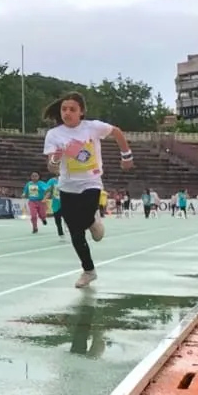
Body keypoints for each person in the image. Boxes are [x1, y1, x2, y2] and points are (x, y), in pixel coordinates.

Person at [41, 91, 134, 289]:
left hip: (91, 182)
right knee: (75, 233)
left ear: (81, 112)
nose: (67, 113)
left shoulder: (92, 128)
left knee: (82, 222)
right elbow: (51, 167)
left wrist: (127, 156)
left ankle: (92, 220)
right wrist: (56, 159)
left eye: (72, 109)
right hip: (67, 186)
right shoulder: (54, 135)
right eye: (64, 109)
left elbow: (116, 132)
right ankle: (89, 271)